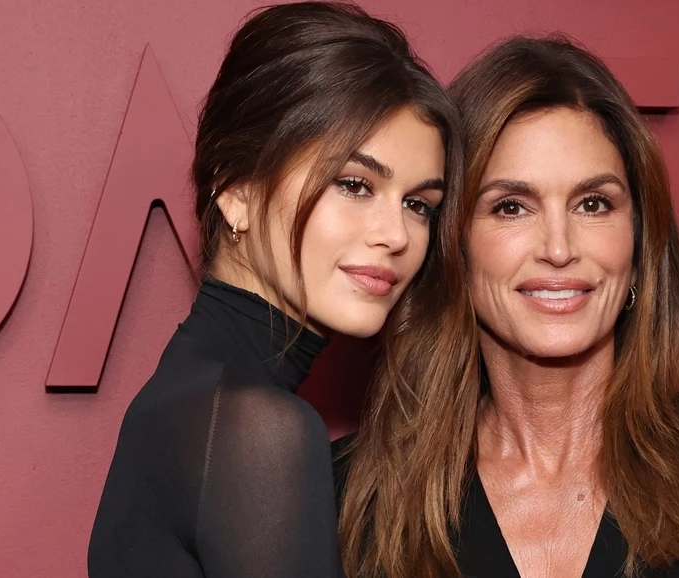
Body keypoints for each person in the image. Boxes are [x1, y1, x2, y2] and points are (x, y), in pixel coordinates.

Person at [335, 36, 679, 577]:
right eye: (511, 207)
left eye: (593, 204)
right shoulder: (352, 499)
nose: (559, 248)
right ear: (453, 245)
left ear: (639, 244)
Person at [87, 3, 460, 576]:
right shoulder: (257, 428)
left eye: (418, 204)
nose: (397, 235)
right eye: (354, 184)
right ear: (236, 189)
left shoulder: (190, 396)